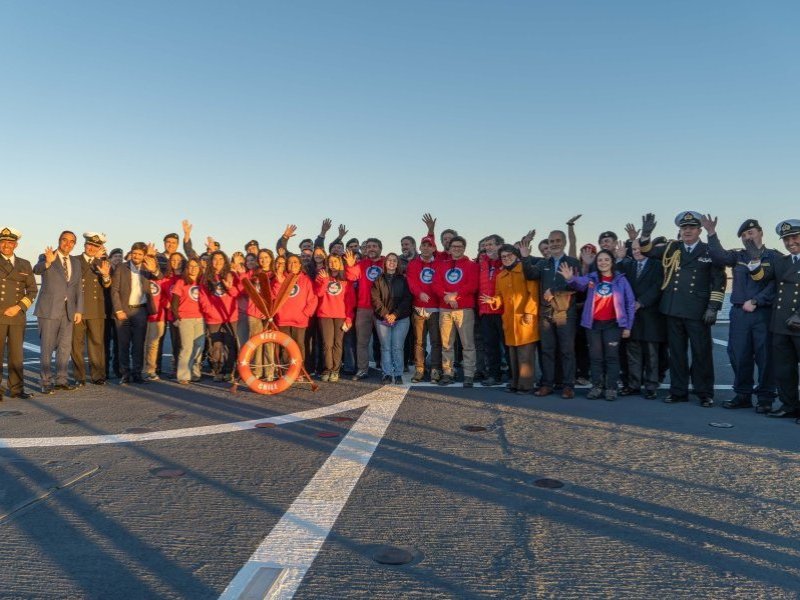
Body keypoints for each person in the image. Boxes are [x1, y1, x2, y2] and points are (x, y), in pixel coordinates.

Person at [638, 211, 726, 407]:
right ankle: (678, 391)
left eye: (691, 227)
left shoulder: (708, 250)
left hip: (698, 311)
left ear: (699, 230)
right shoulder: (672, 248)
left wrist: (713, 307)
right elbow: (647, 251)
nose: (687, 231)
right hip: (673, 308)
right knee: (676, 353)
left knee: (701, 352)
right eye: (684, 228)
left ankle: (704, 392)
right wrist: (645, 234)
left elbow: (719, 280)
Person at [704, 215, 778, 412]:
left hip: (763, 314)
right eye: (744, 235)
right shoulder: (739, 257)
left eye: (751, 233)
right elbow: (718, 256)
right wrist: (711, 233)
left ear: (761, 233)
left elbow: (775, 285)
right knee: (739, 354)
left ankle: (765, 398)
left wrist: (756, 300)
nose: (748, 237)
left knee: (765, 357)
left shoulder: (774, 256)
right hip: (739, 314)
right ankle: (743, 395)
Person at [560, 249, 636, 400]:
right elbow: (579, 284)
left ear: (612, 262)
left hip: (613, 325)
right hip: (593, 325)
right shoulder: (592, 278)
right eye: (600, 260)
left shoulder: (621, 280)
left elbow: (630, 303)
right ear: (596, 263)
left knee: (612, 357)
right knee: (595, 358)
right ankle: (596, 387)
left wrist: (628, 326)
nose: (603, 262)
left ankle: (611, 388)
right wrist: (570, 278)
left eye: (606, 260)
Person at [746, 219, 800, 418]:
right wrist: (754, 261)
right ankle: (789, 405)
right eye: (786, 239)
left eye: (794, 237)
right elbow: (761, 277)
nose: (790, 242)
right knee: (784, 369)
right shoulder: (781, 261)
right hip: (781, 324)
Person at [522, 230, 582, 399]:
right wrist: (525, 257)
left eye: (557, 240)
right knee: (547, 350)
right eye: (551, 241)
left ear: (563, 242)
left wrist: (554, 291)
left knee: (567, 351)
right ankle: (547, 384)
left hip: (565, 314)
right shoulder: (544, 263)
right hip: (546, 313)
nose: (554, 243)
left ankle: (568, 385)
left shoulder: (572, 262)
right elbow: (530, 275)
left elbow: (577, 286)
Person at [481, 244, 539, 393]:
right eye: (503, 257)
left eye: (509, 256)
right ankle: (515, 382)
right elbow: (499, 297)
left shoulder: (525, 271)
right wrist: (493, 301)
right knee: (512, 353)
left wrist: (529, 313)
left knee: (525, 354)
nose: (506, 259)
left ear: (516, 256)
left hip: (525, 317)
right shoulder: (501, 276)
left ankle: (526, 385)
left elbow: (533, 293)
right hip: (508, 319)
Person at [34, 230, 84, 393]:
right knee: (47, 347)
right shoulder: (46, 256)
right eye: (65, 240)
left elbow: (77, 288)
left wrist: (79, 310)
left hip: (68, 310)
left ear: (74, 245)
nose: (67, 244)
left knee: (64, 347)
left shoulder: (76, 263)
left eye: (71, 241)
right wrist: (48, 262)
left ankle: (61, 380)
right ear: (59, 240)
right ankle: (46, 381)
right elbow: (37, 270)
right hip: (49, 310)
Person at [618, 239, 665, 399]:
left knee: (651, 353)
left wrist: (642, 302)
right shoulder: (628, 265)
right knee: (633, 352)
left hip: (651, 314)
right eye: (634, 249)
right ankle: (634, 385)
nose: (636, 251)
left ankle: (651, 386)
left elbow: (658, 286)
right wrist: (619, 258)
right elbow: (617, 278)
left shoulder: (657, 265)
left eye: (639, 249)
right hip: (632, 317)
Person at [111, 242, 161, 385]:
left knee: (139, 345)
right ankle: (125, 374)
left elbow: (159, 276)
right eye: (134, 253)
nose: (136, 256)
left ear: (144, 255)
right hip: (124, 311)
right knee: (123, 345)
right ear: (131, 253)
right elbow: (114, 290)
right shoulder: (122, 267)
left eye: (139, 254)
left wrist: (155, 270)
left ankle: (137, 374)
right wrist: (118, 310)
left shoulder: (147, 267)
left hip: (140, 311)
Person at [433, 236, 479, 387]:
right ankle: (448, 372)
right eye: (454, 246)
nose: (457, 249)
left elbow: (472, 285)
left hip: (464, 309)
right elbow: (436, 284)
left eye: (460, 246)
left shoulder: (472, 265)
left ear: (464, 248)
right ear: (450, 248)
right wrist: (446, 296)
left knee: (468, 344)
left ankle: (469, 374)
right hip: (445, 309)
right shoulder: (442, 265)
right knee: (447, 344)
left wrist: (455, 295)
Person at [0, 227, 37, 399]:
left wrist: (18, 307)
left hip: (17, 316)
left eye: (10, 242)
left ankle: (16, 389)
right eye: (3, 242)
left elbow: (32, 291)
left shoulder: (25, 264)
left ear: (16, 244)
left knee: (16, 355)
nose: (6, 245)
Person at [71, 232, 112, 386]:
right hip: (77, 309)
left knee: (96, 343)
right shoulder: (74, 260)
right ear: (85, 245)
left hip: (96, 309)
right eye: (90, 245)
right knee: (76, 345)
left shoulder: (103, 262)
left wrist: (106, 275)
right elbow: (76, 278)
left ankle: (98, 375)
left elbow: (108, 285)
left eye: (96, 246)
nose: (92, 248)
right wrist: (94, 261)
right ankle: (79, 377)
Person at [344, 238, 385, 379]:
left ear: (380, 248)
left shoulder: (386, 262)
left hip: (383, 308)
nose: (371, 249)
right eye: (368, 247)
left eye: (374, 246)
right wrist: (350, 265)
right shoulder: (361, 264)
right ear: (365, 250)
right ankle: (362, 369)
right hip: (364, 308)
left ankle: (386, 369)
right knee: (362, 342)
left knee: (385, 342)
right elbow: (351, 276)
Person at [370, 253, 413, 384]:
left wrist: (395, 315)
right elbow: (375, 299)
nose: (392, 263)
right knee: (385, 347)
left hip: (401, 318)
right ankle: (387, 373)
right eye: (389, 260)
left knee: (397, 347)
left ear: (397, 264)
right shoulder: (378, 280)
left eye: (394, 261)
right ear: (385, 263)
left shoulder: (403, 280)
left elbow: (407, 299)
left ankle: (398, 374)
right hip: (383, 319)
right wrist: (386, 315)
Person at [199, 251, 240, 382]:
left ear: (225, 260)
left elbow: (238, 293)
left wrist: (229, 288)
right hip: (213, 317)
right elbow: (202, 298)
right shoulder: (206, 277)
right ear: (211, 261)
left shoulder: (232, 275)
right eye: (215, 259)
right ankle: (218, 371)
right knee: (216, 346)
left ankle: (228, 371)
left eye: (221, 259)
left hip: (230, 316)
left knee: (230, 344)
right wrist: (210, 311)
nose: (218, 261)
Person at [314, 254, 356, 382]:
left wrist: (349, 318)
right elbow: (318, 294)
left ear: (340, 263)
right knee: (327, 344)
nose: (332, 264)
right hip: (325, 315)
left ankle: (335, 370)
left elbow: (351, 301)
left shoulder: (346, 279)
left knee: (338, 344)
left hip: (340, 315)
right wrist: (326, 280)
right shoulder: (322, 276)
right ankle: (328, 368)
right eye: (330, 261)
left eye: (335, 261)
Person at [143, 252, 184, 381]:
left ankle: (176, 369)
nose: (176, 262)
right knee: (147, 343)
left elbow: (168, 297)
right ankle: (146, 369)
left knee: (180, 344)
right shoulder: (163, 277)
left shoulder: (180, 277)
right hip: (152, 314)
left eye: (179, 260)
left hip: (172, 315)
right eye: (173, 260)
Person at [406, 235, 442, 382]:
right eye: (424, 245)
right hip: (418, 308)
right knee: (419, 341)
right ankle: (419, 369)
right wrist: (419, 293)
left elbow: (440, 282)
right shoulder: (413, 264)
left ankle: (435, 369)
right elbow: (411, 282)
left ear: (434, 249)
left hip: (435, 308)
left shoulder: (439, 264)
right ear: (419, 248)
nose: (426, 248)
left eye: (429, 245)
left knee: (436, 341)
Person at [273, 254, 318, 368]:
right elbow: (274, 295)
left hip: (300, 320)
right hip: (283, 319)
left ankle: (299, 370)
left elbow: (312, 299)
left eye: (295, 262)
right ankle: (286, 370)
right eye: (290, 262)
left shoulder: (306, 279)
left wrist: (305, 314)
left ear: (299, 265)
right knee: (285, 346)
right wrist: (278, 279)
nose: (292, 264)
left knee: (299, 345)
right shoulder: (281, 278)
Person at [477, 234, 506, 386]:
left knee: (508, 345)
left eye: (491, 244)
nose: (487, 247)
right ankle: (494, 375)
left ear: (500, 246)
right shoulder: (482, 263)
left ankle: (514, 375)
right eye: (486, 245)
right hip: (485, 311)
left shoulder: (506, 262)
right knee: (490, 345)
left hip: (503, 311)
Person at [170, 258, 204, 384]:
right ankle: (183, 375)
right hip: (186, 318)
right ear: (187, 268)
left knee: (199, 346)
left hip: (200, 318)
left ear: (200, 268)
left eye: (196, 266)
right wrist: (177, 316)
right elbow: (174, 301)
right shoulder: (181, 282)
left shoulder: (202, 282)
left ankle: (195, 373)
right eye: (190, 266)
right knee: (187, 347)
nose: (193, 268)